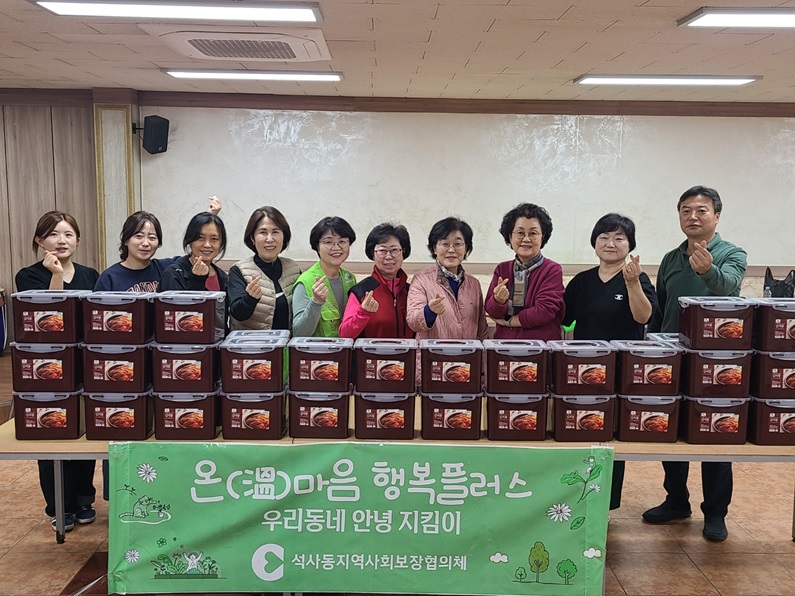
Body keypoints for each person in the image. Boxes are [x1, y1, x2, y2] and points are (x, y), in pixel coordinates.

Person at [642, 186, 747, 542]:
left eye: (701, 210)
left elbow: (729, 286)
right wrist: (653, 347)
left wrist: (708, 271)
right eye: (686, 210)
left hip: (719, 364)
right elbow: (661, 308)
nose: (693, 216)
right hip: (673, 357)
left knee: (716, 433)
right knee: (670, 430)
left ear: (717, 215)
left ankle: (715, 512)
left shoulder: (732, 253)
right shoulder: (671, 258)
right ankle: (676, 500)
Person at [562, 213, 658, 512]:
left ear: (630, 245)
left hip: (621, 375)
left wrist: (632, 282)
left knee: (613, 438)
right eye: (604, 237)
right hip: (584, 372)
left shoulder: (638, 279)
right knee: (581, 430)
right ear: (595, 243)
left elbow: (643, 317)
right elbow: (564, 321)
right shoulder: (581, 281)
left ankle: (606, 506)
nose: (610, 243)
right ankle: (577, 499)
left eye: (619, 238)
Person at [15, 211, 98, 532]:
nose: (61, 241)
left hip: (83, 364)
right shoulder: (28, 276)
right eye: (53, 234)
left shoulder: (91, 275)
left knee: (83, 435)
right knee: (52, 434)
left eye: (68, 234)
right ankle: (58, 506)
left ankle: (84, 499)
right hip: (46, 367)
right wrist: (56, 275)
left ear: (78, 239)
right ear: (39, 240)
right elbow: (49, 319)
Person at [94, 197, 221, 292]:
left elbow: (196, 251)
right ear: (126, 240)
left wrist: (210, 218)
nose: (145, 243)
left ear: (159, 242)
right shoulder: (109, 277)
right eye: (139, 236)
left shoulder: (166, 268)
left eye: (152, 238)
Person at [485, 203, 565, 340]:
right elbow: (492, 311)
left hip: (541, 347)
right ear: (510, 237)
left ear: (543, 237)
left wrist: (509, 322)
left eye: (533, 233)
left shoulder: (552, 270)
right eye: (520, 233)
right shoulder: (502, 269)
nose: (526, 239)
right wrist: (498, 300)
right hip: (504, 346)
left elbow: (544, 311)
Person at [406, 217, 488, 341]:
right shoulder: (421, 280)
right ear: (434, 248)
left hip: (468, 353)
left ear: (466, 248)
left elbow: (482, 328)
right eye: (445, 244)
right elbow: (413, 321)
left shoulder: (474, 284)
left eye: (458, 244)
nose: (451, 250)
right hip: (432, 353)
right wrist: (429, 311)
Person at [227, 206, 301, 331]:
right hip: (251, 343)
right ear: (252, 238)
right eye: (263, 232)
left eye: (275, 232)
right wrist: (249, 299)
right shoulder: (238, 270)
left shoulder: (293, 269)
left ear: (284, 237)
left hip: (286, 342)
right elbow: (237, 314)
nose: (269, 239)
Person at [339, 223, 413, 339]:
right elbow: (344, 334)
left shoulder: (412, 291)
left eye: (394, 250)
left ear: (403, 252)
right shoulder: (361, 291)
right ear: (373, 254)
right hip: (371, 351)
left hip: (408, 351)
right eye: (382, 251)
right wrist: (362, 313)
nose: (388, 256)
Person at [292, 216, 357, 337]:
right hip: (317, 349)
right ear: (317, 246)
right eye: (328, 242)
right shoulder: (306, 281)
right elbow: (299, 333)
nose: (336, 248)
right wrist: (316, 302)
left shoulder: (350, 278)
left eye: (342, 241)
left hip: (346, 348)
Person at [159, 212, 229, 292]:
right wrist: (197, 280)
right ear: (190, 241)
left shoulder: (223, 277)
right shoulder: (173, 274)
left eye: (214, 239)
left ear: (221, 244)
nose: (207, 245)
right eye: (200, 238)